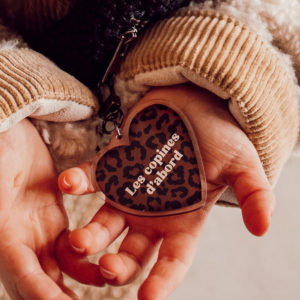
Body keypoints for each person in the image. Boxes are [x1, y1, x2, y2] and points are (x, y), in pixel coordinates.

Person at [0, 0, 298, 299]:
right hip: (31, 182)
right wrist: (8, 96)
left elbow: (282, 15)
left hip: (123, 211)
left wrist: (221, 73)